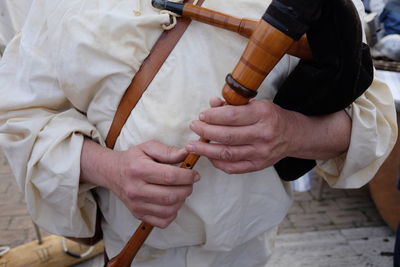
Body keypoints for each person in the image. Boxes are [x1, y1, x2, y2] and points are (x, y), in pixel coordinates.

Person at [0, 0, 397, 266]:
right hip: (133, 252)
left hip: (249, 253)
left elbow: (371, 114)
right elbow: (22, 115)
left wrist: (293, 133)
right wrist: (109, 169)